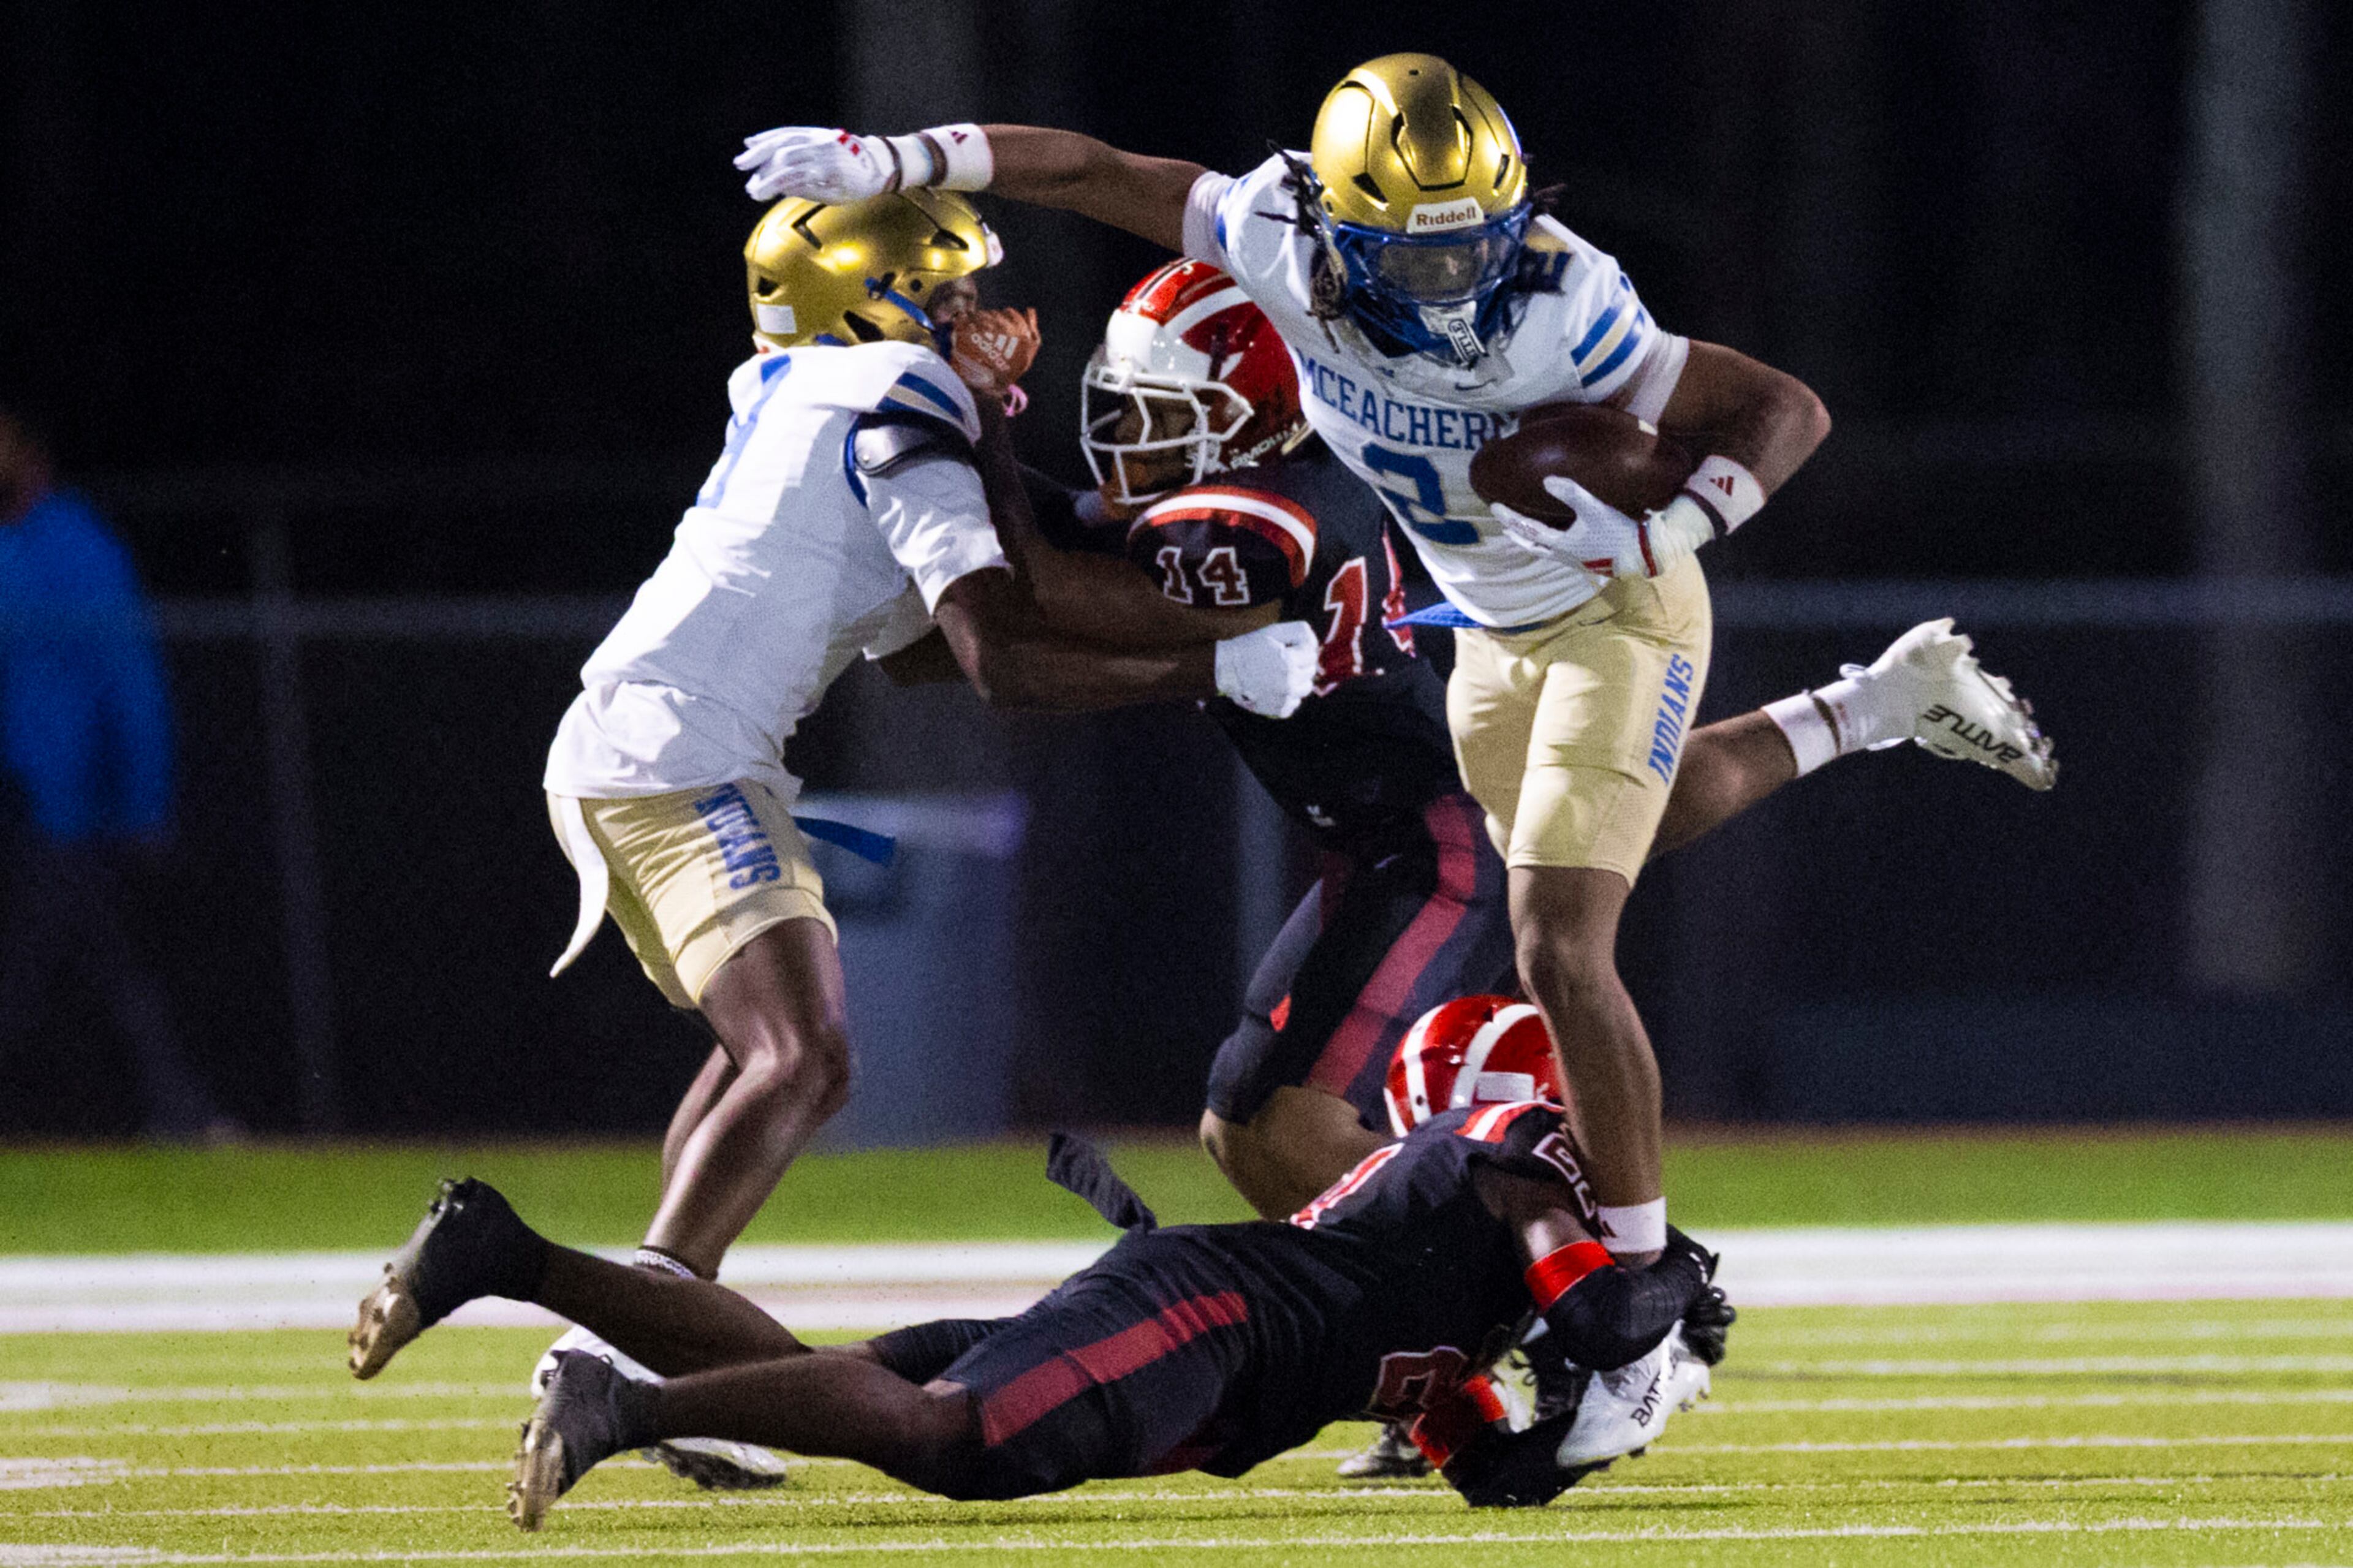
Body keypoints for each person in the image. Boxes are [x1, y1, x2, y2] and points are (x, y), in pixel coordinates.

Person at [732, 62, 2052, 1301]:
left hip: (1560, 655)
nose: (1452, 275)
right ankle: (1872, 705)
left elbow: (1025, 636)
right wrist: (895, 160)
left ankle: (1627, 1291)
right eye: (1416, 250)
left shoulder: (1509, 336)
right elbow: (1085, 168)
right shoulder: (1271, 245)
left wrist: (1667, 526)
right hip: (1484, 635)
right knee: (1604, 821)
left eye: (1471, 240)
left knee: (1487, 985)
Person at [1048, 258, 2055, 1478]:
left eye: (1162, 413)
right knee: (1637, 812)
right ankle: (1870, 705)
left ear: (1256, 408)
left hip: (1417, 834)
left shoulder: (1256, 515)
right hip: (1417, 788)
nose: (1129, 439)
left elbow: (1052, 617)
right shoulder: (1283, 476)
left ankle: (1589, 1303)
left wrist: (944, 478)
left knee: (1273, 1121)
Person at [407, 192, 1317, 1489]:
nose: (990, 326)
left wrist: (1183, 623)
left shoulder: (801, 387)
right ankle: (636, 1334)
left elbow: (923, 654)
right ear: (881, 307)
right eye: (955, 302)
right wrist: (1214, 663)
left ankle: (665, 1337)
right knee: (805, 1054)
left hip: (657, 742)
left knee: (762, 1056)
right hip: (682, 754)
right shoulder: (896, 388)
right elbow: (999, 649)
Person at [347, 1066, 1731, 1527]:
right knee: (952, 1438)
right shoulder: (1524, 1167)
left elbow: (1487, 1470)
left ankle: (503, 1253)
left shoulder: (1472, 1307)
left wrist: (1581, 1436)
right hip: (1206, 1319)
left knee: (866, 1384)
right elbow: (1607, 1316)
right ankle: (620, 1400)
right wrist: (1668, 1290)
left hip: (1198, 1332)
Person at [0, 407, 235, 1140]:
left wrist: (143, 802)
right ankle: (181, 1111)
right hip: (16, 805)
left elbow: (131, 688)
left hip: (64, 810)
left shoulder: (79, 549)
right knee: (91, 969)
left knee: (71, 965)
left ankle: (182, 1112)